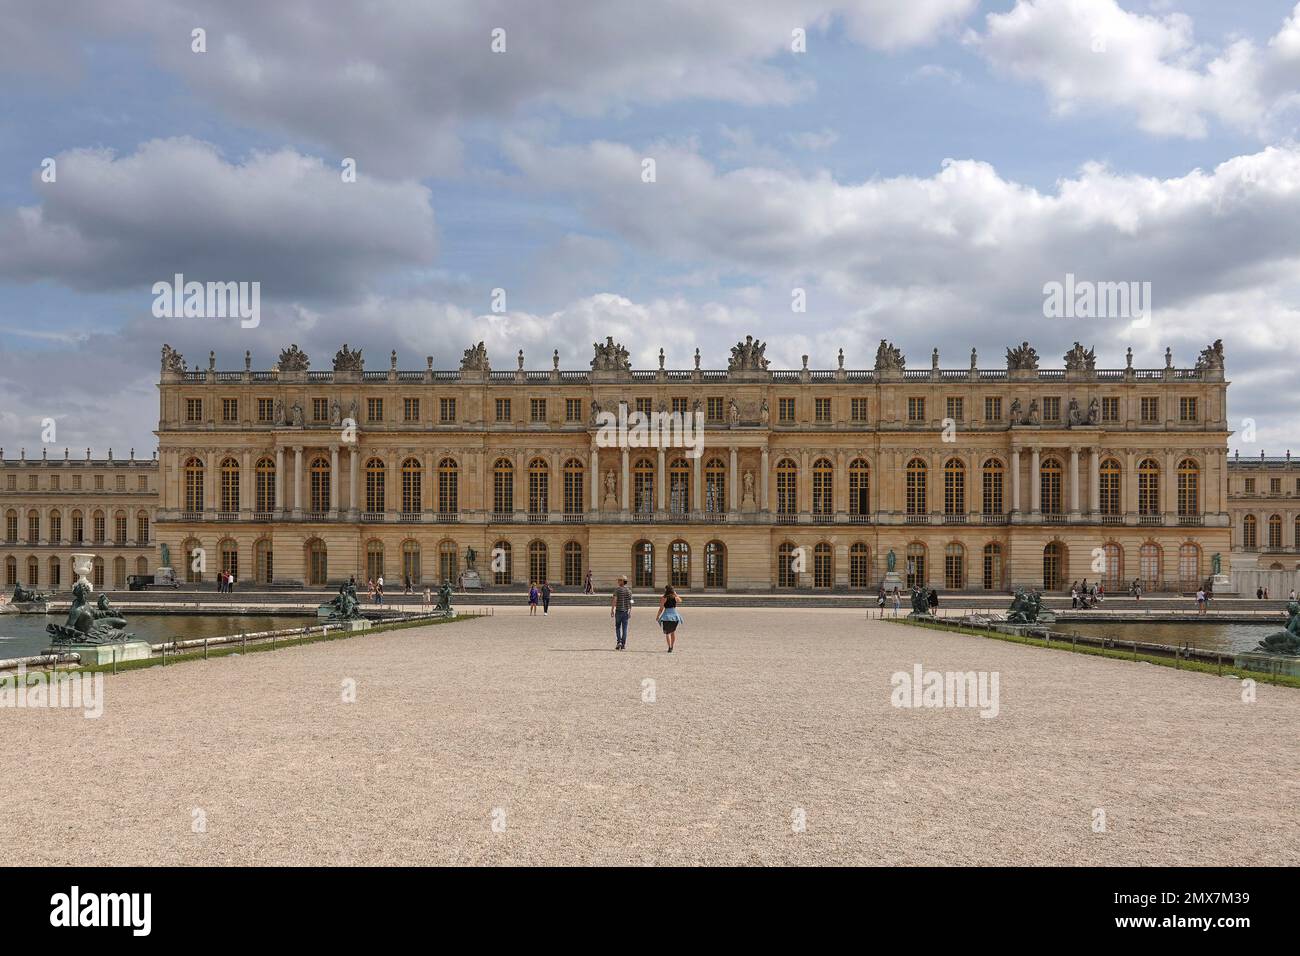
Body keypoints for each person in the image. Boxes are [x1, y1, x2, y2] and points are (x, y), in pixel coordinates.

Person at [657, 585, 682, 652]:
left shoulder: (663, 598)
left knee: (667, 633)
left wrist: (658, 616)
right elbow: (680, 600)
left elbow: (661, 609)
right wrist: (676, 594)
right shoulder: (675, 598)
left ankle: (669, 647)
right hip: (675, 616)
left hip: (666, 616)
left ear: (666, 590)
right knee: (673, 632)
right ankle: (672, 646)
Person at [611, 575, 632, 650]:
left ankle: (619, 642)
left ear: (623, 581)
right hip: (626, 611)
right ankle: (623, 644)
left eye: (619, 580)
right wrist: (630, 611)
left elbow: (614, 600)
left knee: (617, 627)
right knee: (625, 628)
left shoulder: (617, 590)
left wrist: (612, 609)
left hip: (619, 611)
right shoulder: (629, 590)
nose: (618, 581)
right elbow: (631, 602)